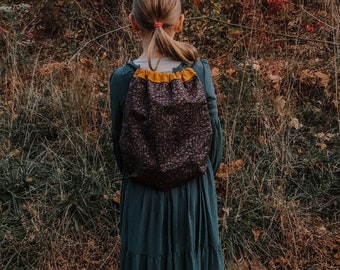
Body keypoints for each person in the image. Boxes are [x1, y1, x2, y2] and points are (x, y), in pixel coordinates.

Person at [109, 0, 224, 269]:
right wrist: (199, 176)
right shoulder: (199, 71)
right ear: (180, 22)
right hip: (194, 195)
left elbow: (120, 145)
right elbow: (214, 142)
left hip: (143, 196)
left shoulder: (123, 78)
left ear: (133, 22)